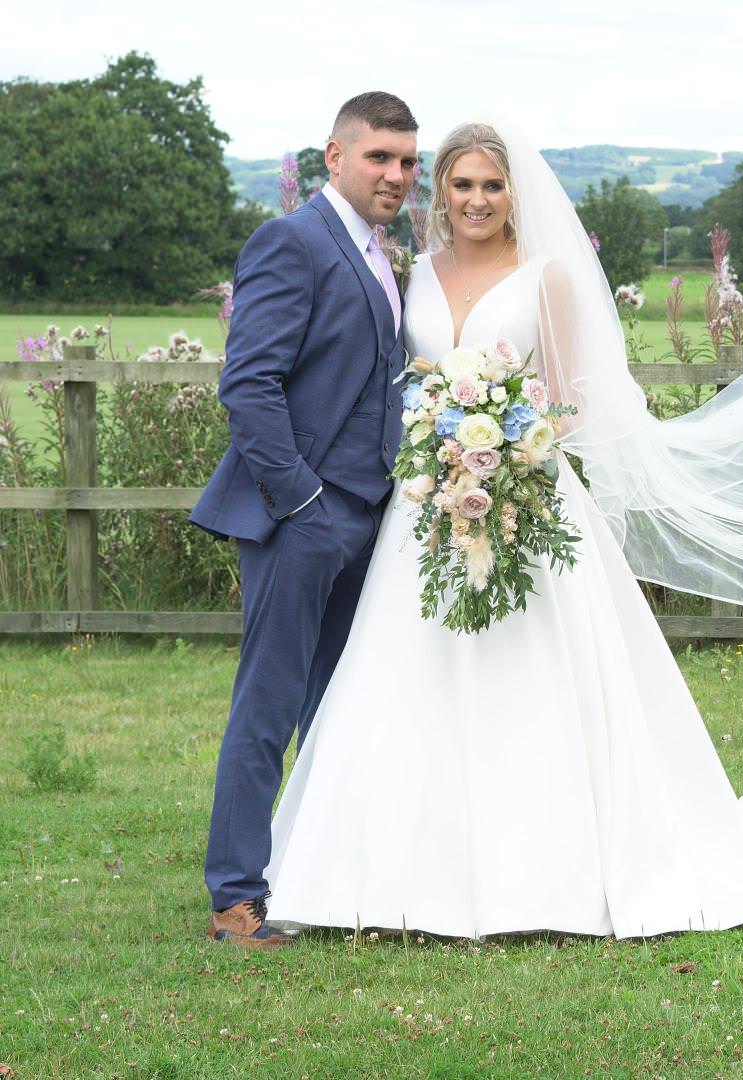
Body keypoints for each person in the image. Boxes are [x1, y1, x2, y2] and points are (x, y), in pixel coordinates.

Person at [260, 122, 743, 940]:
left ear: (516, 196)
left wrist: (511, 447)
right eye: (461, 184)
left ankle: (545, 876)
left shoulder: (545, 277)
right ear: (441, 192)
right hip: (426, 506)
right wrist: (442, 442)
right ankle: (381, 873)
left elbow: (575, 400)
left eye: (492, 185)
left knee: (528, 677)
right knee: (404, 679)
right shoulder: (416, 273)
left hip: (524, 498)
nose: (476, 200)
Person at [190, 92, 418, 948]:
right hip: (304, 520)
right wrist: (305, 503)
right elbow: (248, 384)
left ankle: (320, 874)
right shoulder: (292, 241)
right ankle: (235, 897)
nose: (395, 175)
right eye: (379, 158)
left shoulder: (379, 253)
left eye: (406, 161)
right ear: (334, 157)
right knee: (269, 704)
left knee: (338, 702)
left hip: (370, 517)